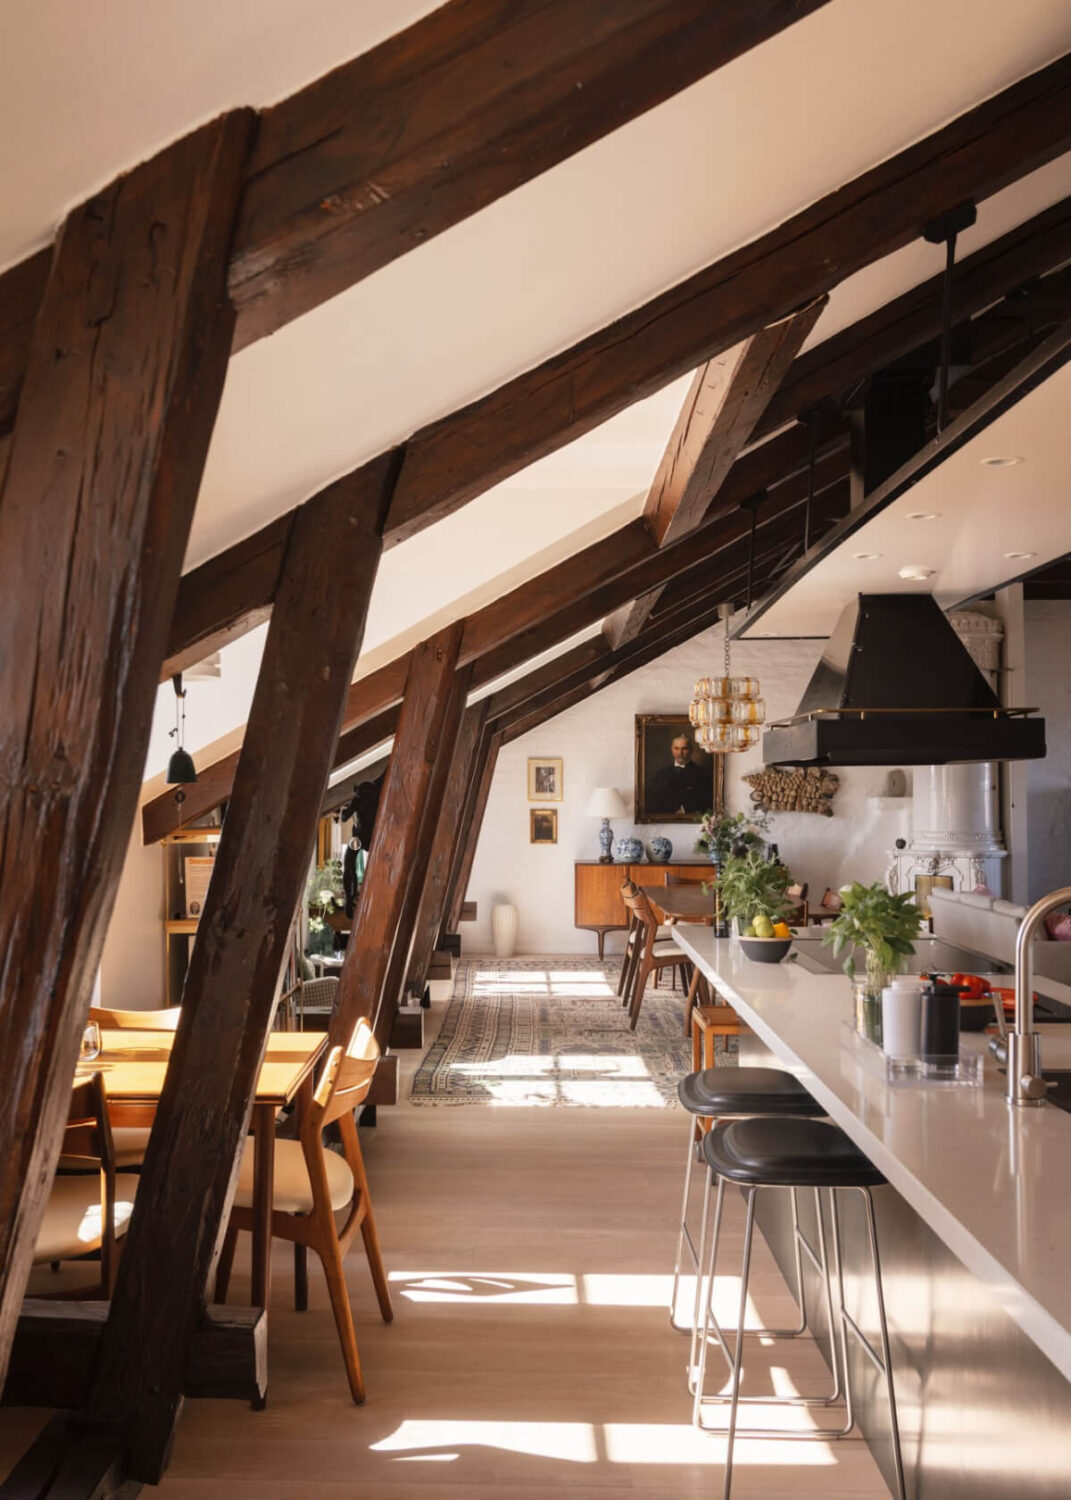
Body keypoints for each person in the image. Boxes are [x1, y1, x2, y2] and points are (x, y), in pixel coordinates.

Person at [648, 733, 710, 815]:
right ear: (672, 750)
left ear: (691, 750)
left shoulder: (703, 774)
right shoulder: (661, 774)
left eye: (684, 748)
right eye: (676, 748)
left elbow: (706, 801)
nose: (680, 752)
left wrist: (685, 810)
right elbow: (654, 802)